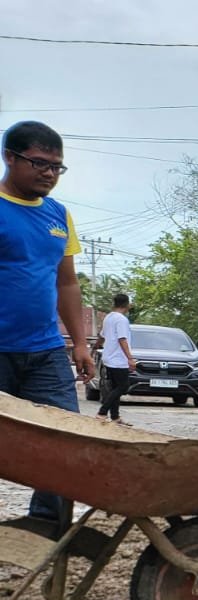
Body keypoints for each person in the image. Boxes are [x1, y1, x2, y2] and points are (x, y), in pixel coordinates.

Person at [0, 121, 91, 528]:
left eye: (57, 167)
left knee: (67, 441)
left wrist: (80, 343)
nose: (49, 173)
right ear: (9, 157)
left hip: (44, 352)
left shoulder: (58, 215)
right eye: (39, 163)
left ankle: (43, 528)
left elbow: (66, 281)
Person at [96, 293, 136, 425]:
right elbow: (122, 338)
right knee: (123, 387)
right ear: (127, 305)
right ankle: (102, 412)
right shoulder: (121, 320)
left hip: (109, 357)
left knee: (115, 387)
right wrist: (130, 358)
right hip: (118, 359)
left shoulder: (108, 317)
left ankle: (115, 417)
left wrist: (93, 349)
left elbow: (102, 336)